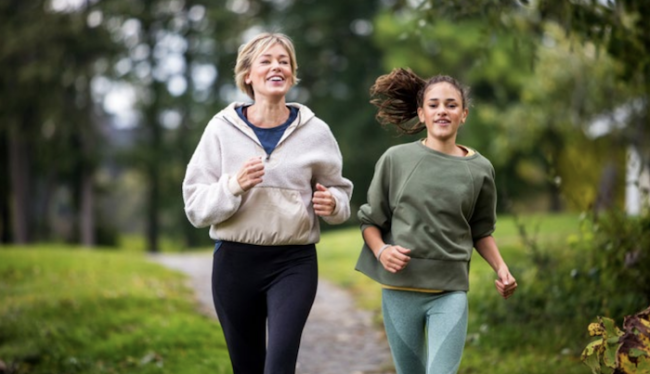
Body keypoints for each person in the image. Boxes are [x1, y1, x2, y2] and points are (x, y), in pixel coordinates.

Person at [182, 32, 353, 374]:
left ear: (292, 74)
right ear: (248, 74)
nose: (277, 66)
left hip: (293, 263)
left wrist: (332, 204)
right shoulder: (220, 130)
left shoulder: (316, 131)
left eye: (284, 61)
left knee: (279, 366)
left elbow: (341, 192)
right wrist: (234, 185)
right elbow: (195, 207)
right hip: (234, 263)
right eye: (266, 60)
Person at [355, 68, 517, 374]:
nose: (442, 110)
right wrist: (382, 252)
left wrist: (501, 268)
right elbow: (370, 221)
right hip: (400, 291)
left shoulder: (480, 169)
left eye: (451, 105)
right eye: (434, 104)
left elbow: (481, 230)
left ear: (464, 114)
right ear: (421, 113)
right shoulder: (395, 159)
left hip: (450, 292)